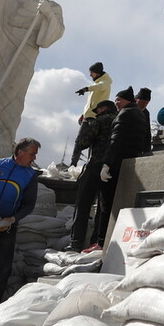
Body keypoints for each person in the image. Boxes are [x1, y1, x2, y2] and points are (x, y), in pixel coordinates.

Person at [0, 0, 64, 160]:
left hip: (24, 54)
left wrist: (48, 14)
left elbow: (51, 36)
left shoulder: (52, 6)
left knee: (12, 97)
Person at [0, 138, 41, 302]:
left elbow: (29, 205)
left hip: (6, 227)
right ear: (20, 152)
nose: (34, 158)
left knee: (2, 270)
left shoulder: (30, 176)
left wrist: (13, 219)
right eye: (32, 154)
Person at [89, 87, 149, 252]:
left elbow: (116, 140)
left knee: (105, 206)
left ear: (127, 100)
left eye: (118, 100)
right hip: (129, 163)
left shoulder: (124, 114)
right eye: (115, 100)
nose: (116, 103)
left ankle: (101, 242)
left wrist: (106, 164)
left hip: (116, 164)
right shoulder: (140, 114)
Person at [67, 100, 117, 252]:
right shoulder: (120, 120)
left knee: (82, 206)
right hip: (111, 169)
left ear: (102, 109)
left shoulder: (98, 121)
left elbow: (83, 142)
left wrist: (85, 125)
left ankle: (76, 243)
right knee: (103, 209)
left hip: (94, 167)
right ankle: (96, 243)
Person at [135, 87, 152, 155]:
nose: (143, 106)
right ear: (136, 99)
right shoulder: (127, 107)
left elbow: (147, 133)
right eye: (141, 103)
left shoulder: (146, 113)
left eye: (146, 104)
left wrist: (147, 151)